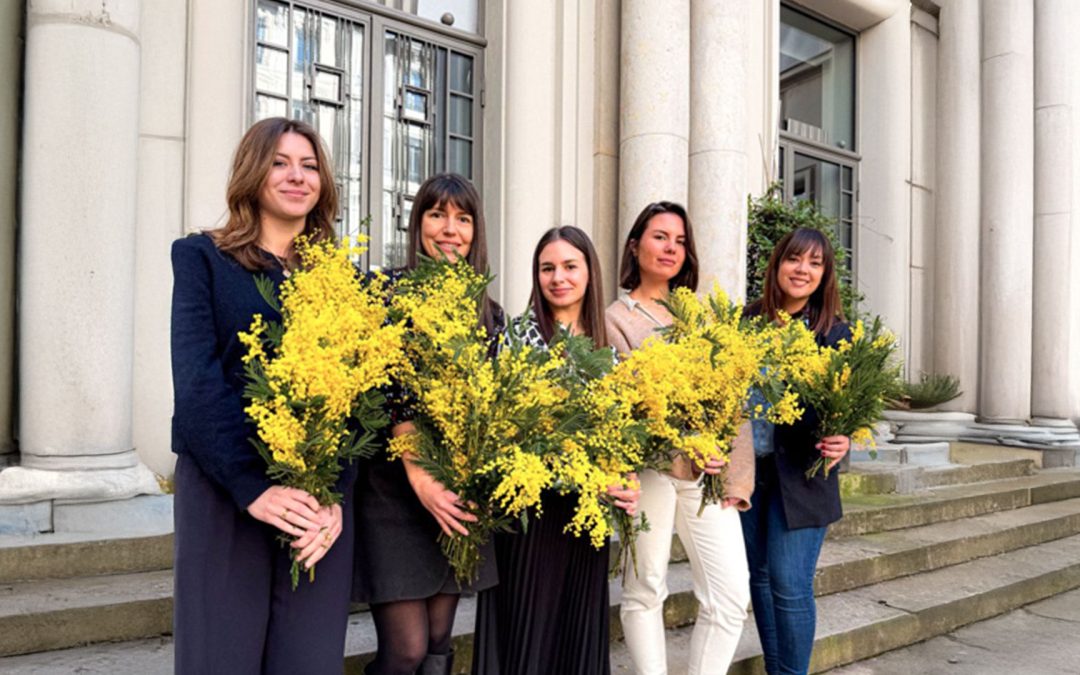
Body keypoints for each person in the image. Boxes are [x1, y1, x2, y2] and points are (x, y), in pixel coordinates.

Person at [170, 117, 353, 674]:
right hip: (227, 494)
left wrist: (335, 495)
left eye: (310, 164)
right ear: (253, 172)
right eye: (280, 162)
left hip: (314, 505)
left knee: (309, 661)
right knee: (220, 658)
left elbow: (352, 395)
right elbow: (197, 384)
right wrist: (253, 488)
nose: (297, 176)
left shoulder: (339, 277)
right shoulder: (202, 257)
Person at [471, 226, 639, 675]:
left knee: (576, 639)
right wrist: (580, 472)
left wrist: (625, 479)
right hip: (530, 516)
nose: (558, 277)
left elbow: (620, 437)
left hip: (587, 518)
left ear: (589, 272)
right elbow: (507, 433)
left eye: (569, 266)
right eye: (547, 268)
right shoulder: (518, 338)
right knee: (529, 637)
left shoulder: (609, 348)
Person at [353, 173, 502, 675]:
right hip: (395, 492)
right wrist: (421, 473)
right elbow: (386, 390)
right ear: (418, 224)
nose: (450, 229)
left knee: (439, 642)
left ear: (476, 231)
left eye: (463, 218)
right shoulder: (384, 292)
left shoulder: (490, 315)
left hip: (458, 496)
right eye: (437, 214)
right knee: (408, 649)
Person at [606, 201, 754, 675]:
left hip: (705, 476)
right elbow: (625, 410)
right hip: (650, 471)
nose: (671, 248)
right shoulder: (614, 319)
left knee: (731, 595)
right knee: (645, 586)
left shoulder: (701, 317)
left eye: (680, 240)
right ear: (636, 244)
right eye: (659, 236)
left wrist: (736, 481)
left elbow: (735, 403)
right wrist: (680, 444)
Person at [740, 227, 852, 675]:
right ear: (777, 264)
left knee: (789, 584)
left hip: (803, 477)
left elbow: (849, 408)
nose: (802, 270)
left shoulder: (834, 332)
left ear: (824, 275)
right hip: (750, 473)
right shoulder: (746, 322)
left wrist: (847, 440)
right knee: (761, 580)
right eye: (794, 259)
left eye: (814, 263)